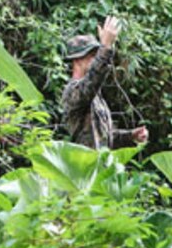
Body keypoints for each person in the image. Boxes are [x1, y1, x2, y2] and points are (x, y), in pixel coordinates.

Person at [61, 16, 148, 149]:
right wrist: (106, 47)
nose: (95, 58)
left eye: (96, 54)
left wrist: (131, 135)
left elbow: (107, 137)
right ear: (77, 60)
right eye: (91, 55)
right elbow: (92, 80)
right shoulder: (73, 91)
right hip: (83, 167)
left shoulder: (96, 97)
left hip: (101, 165)